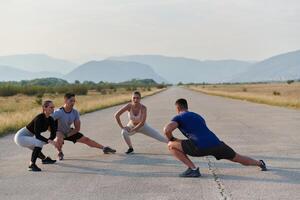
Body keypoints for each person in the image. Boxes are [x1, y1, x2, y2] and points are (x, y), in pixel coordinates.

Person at [164, 98, 267, 178]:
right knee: (238, 158)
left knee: (171, 146)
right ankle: (260, 163)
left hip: (199, 147)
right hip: (217, 144)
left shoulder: (179, 117)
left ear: (177, 108)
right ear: (187, 107)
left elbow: (167, 130)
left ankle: (193, 169)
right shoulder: (198, 116)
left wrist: (172, 139)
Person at [52, 93, 116, 160]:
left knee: (86, 139)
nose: (73, 103)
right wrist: (53, 132)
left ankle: (104, 148)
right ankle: (60, 152)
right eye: (71, 101)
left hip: (68, 131)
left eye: (74, 101)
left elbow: (77, 128)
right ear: (65, 101)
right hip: (58, 131)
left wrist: (67, 135)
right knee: (59, 138)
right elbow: (47, 123)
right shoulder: (58, 112)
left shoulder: (75, 112)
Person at [14, 100, 58, 172]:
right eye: (51, 107)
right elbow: (37, 135)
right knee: (39, 142)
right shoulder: (39, 118)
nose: (53, 109)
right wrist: (48, 141)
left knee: (37, 146)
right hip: (20, 137)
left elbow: (53, 133)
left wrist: (50, 140)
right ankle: (31, 165)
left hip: (28, 137)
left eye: (53, 107)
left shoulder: (50, 119)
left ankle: (44, 159)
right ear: (44, 108)